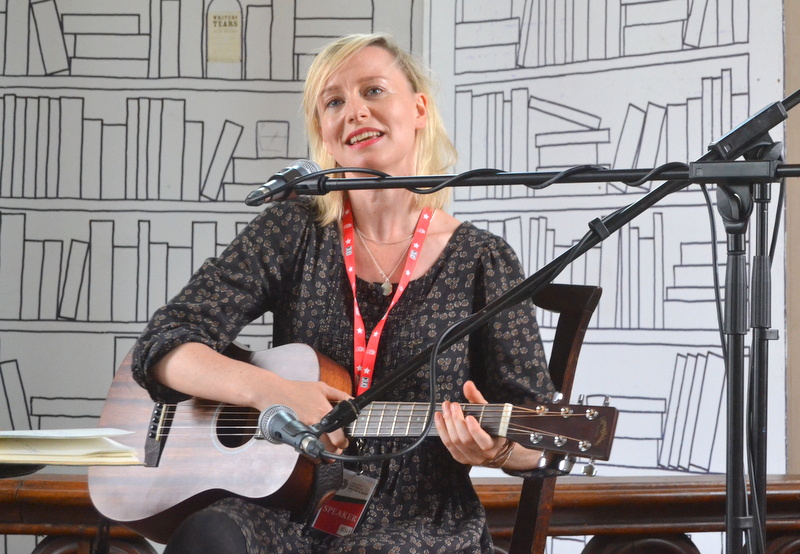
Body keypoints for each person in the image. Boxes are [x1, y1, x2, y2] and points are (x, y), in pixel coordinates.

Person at [131, 33, 554, 553]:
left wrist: (498, 451)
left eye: (373, 90)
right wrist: (271, 391)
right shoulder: (293, 230)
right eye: (333, 102)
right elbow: (164, 346)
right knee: (214, 533)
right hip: (288, 507)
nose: (354, 111)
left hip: (420, 524)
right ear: (325, 136)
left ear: (419, 109)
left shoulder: (482, 259)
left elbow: (537, 435)